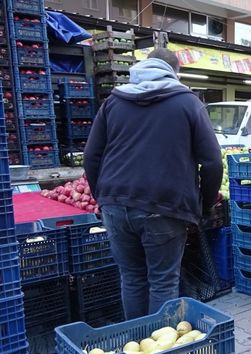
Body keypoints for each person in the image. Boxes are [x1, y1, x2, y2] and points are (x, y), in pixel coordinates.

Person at [83, 48, 223, 319]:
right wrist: (205, 206)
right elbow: (213, 162)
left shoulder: (114, 101)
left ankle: (136, 346)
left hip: (116, 204)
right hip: (164, 208)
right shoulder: (187, 102)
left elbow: (91, 156)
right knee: (162, 281)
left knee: (132, 278)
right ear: (175, 72)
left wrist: (102, 196)